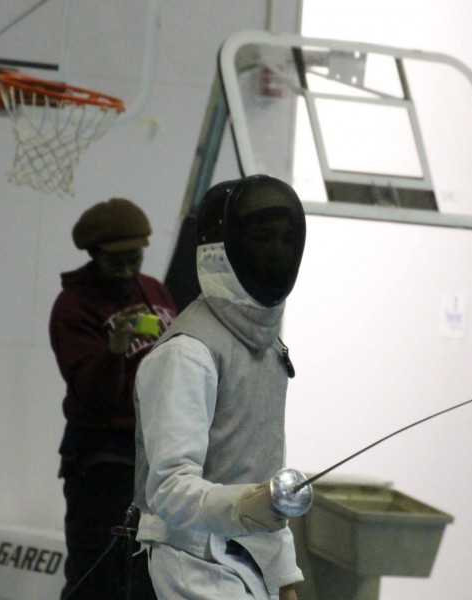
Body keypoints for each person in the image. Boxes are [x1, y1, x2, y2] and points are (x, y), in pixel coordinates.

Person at [133, 175, 306, 600]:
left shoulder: (266, 349)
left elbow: (259, 478)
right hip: (190, 561)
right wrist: (247, 505)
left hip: (244, 561)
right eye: (263, 237)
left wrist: (284, 577)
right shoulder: (189, 353)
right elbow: (168, 490)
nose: (277, 251)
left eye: (287, 239)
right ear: (223, 249)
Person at [49, 198, 177, 599]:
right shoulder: (71, 307)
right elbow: (94, 396)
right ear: (93, 256)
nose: (125, 271)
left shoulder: (153, 289)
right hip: (102, 461)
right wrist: (115, 349)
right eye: (114, 263)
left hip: (155, 454)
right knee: (98, 574)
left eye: (133, 260)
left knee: (151, 574)